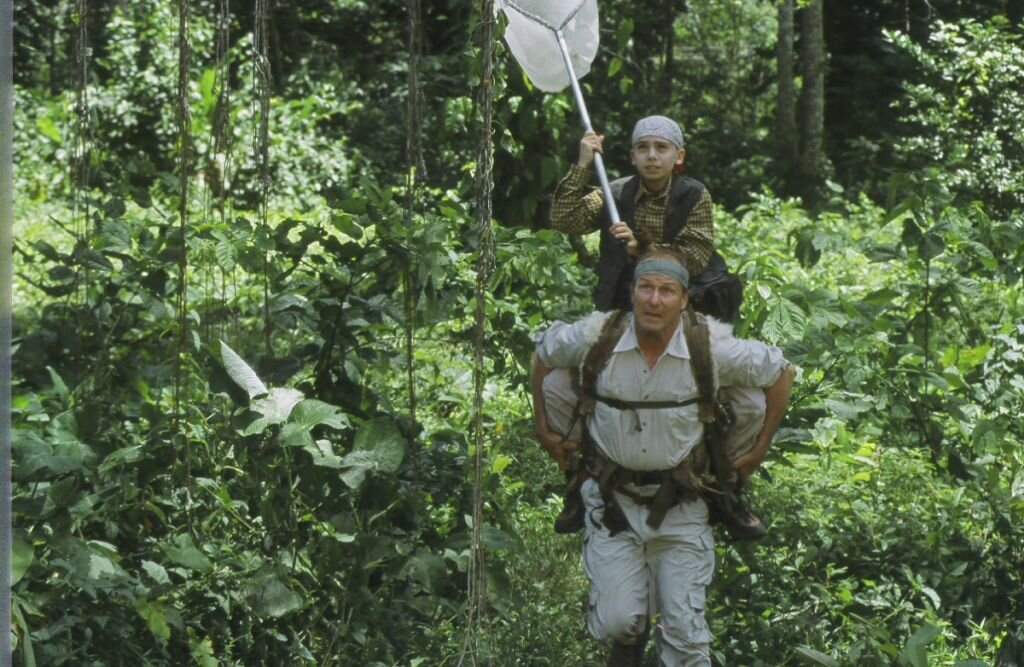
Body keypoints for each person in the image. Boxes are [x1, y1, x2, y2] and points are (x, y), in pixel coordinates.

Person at [531, 249, 794, 666]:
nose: (655, 300)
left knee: (686, 636)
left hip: (683, 503)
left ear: (684, 299)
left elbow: (781, 372)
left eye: (667, 291)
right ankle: (629, 637)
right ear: (632, 293)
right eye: (646, 288)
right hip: (614, 500)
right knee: (620, 622)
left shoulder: (709, 346)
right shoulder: (597, 337)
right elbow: (544, 354)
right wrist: (544, 429)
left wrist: (757, 451)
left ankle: (729, 494)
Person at [550, 115, 736, 318]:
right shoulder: (614, 194)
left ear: (679, 156)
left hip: (685, 300)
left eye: (661, 147)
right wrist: (582, 164)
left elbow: (694, 258)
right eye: (643, 148)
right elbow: (564, 219)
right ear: (632, 156)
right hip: (626, 299)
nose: (651, 156)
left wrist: (640, 249)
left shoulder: (694, 194)